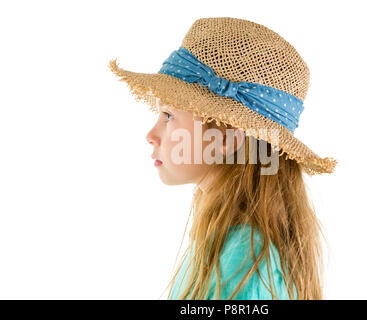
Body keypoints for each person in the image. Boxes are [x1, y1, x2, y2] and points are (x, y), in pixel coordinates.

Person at [109, 17, 337, 300]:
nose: (151, 135)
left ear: (228, 139)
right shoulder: (225, 243)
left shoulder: (244, 263)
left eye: (168, 116)